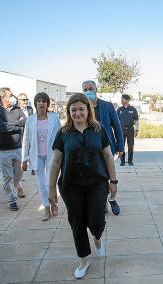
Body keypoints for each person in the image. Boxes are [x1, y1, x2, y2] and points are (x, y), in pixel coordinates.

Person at [48, 93, 117, 279]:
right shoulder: (63, 133)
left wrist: (113, 181)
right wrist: (51, 188)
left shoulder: (98, 129)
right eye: (73, 110)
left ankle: (97, 237)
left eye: (81, 109)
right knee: (77, 223)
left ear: (88, 110)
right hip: (71, 186)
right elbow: (56, 162)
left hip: (97, 184)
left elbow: (108, 156)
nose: (78, 113)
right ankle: (83, 260)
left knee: (96, 221)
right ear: (69, 112)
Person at [82, 80, 123, 215]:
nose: (88, 91)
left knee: (109, 174)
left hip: (107, 148)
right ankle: (103, 201)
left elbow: (116, 126)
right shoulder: (82, 108)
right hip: (90, 149)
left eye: (90, 88)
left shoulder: (107, 106)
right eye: (85, 89)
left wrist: (120, 146)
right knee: (98, 177)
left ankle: (113, 199)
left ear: (96, 89)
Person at [21, 92, 61, 221]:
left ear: (47, 104)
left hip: (52, 155)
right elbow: (26, 140)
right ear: (35, 103)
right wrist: (24, 159)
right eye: (38, 101)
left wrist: (62, 154)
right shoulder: (30, 119)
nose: (41, 103)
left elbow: (61, 136)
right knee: (41, 184)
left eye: (44, 101)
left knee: (51, 182)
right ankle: (46, 208)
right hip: (36, 156)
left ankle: (53, 201)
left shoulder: (54, 118)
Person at [0, 87, 27, 211]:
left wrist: (12, 125)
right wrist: (16, 125)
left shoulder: (17, 109)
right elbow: (1, 128)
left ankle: (13, 188)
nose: (13, 97)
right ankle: (12, 200)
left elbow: (24, 121)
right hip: (2, 150)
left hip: (17, 148)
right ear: (3, 97)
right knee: (8, 176)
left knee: (19, 174)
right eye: (10, 95)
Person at [117, 94, 139, 166]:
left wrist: (136, 129)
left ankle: (130, 161)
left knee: (130, 146)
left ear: (126, 100)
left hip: (130, 129)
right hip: (121, 129)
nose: (121, 100)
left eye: (122, 99)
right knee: (121, 145)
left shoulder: (133, 109)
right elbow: (116, 121)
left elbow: (136, 120)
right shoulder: (119, 110)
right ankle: (122, 161)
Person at [18, 93, 35, 175]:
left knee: (32, 150)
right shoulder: (16, 110)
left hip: (30, 133)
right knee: (22, 152)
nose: (25, 101)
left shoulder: (30, 109)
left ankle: (33, 168)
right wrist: (27, 122)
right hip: (21, 134)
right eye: (23, 100)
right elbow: (18, 122)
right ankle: (21, 170)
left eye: (26, 100)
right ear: (19, 101)